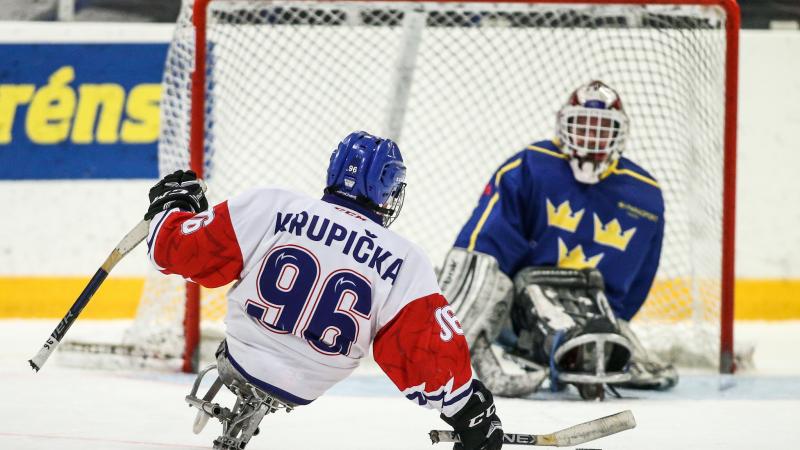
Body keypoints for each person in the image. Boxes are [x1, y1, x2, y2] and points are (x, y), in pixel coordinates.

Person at [143, 131, 503, 450]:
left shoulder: (271, 204)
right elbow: (423, 349)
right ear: (389, 190)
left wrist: (170, 209)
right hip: (307, 382)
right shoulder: (407, 260)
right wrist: (467, 407)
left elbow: (173, 251)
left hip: (239, 357)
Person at [438, 81, 677, 400]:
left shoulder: (645, 194)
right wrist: (462, 324)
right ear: (563, 124)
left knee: (606, 324)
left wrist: (616, 319)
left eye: (602, 128)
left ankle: (596, 340)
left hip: (593, 304)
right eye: (582, 125)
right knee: (477, 273)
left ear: (620, 133)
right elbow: (481, 247)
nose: (591, 137)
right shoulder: (532, 166)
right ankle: (466, 348)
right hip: (520, 310)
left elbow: (639, 279)